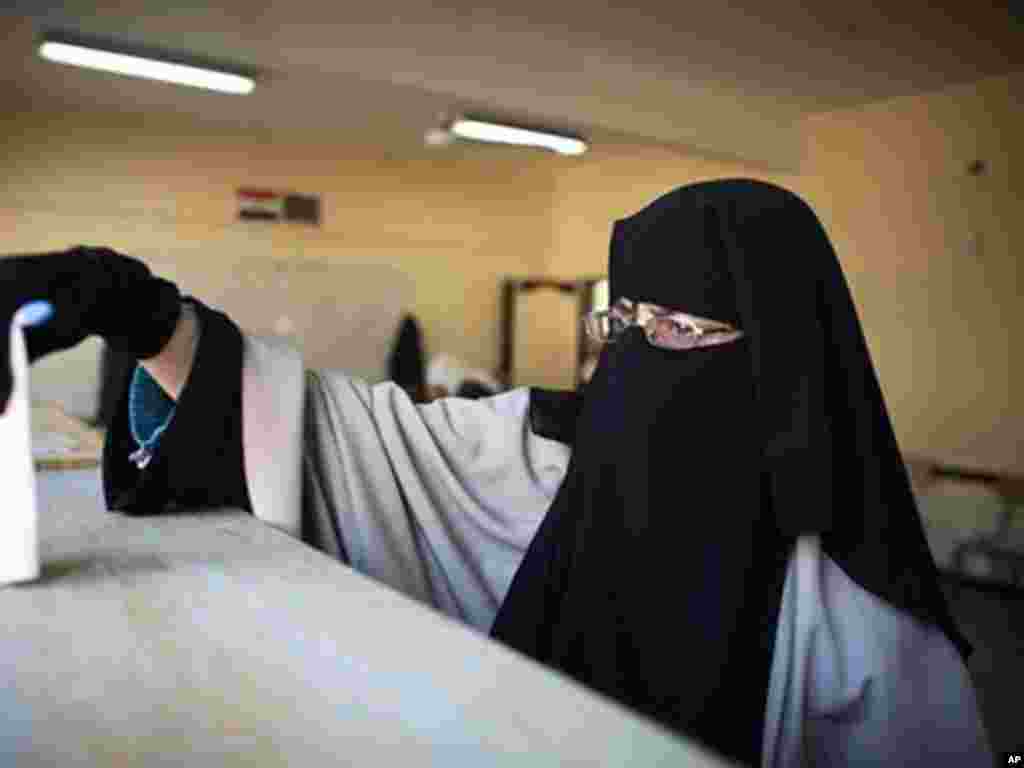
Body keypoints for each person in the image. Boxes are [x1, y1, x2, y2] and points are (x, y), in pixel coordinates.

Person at [0, 179, 992, 767]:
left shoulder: (866, 632)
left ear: (783, 364)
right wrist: (139, 312)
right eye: (627, 323)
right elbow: (336, 433)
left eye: (682, 329)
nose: (640, 357)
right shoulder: (553, 454)